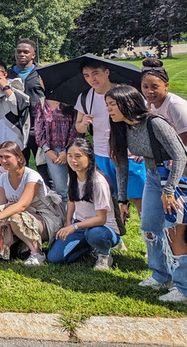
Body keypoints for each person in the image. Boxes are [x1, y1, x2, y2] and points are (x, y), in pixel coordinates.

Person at [107, 84, 187, 304]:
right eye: (107, 105)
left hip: (178, 181)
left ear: (126, 104)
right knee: (149, 228)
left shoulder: (155, 123)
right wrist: (122, 199)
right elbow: (121, 166)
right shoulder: (123, 128)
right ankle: (161, 275)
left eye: (112, 104)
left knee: (175, 233)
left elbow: (180, 156)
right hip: (153, 178)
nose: (109, 110)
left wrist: (169, 191)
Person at [140, 58, 187, 279]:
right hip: (174, 162)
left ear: (167, 85)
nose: (149, 91)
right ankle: (182, 263)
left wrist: (181, 176)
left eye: (155, 87)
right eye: (145, 87)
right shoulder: (151, 106)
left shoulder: (176, 106)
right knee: (183, 216)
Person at [74, 61, 144, 214]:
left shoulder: (124, 93)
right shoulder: (85, 97)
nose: (92, 79)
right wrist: (84, 123)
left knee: (139, 198)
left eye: (95, 73)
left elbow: (142, 120)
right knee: (110, 199)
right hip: (101, 155)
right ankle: (117, 233)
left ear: (106, 72)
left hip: (128, 154)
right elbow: (78, 126)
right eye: (87, 76)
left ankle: (150, 233)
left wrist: (141, 149)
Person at [0, 141, 65, 266]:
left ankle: (37, 253)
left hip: (46, 218)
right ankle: (13, 246)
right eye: (1, 157)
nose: (3, 160)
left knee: (15, 218)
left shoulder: (32, 176)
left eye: (7, 157)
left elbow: (23, 205)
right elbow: (0, 205)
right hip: (26, 214)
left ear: (19, 157)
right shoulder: (3, 177)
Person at [47, 138, 121, 270]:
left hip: (103, 228)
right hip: (80, 225)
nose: (73, 161)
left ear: (90, 157)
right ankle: (89, 246)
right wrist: (68, 222)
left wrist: (74, 227)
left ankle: (104, 255)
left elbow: (101, 218)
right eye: (69, 156)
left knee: (95, 234)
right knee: (55, 258)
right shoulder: (73, 176)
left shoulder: (98, 182)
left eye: (78, 156)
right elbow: (71, 199)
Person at [34, 98, 77, 205]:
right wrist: (47, 150)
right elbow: (38, 129)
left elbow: (76, 129)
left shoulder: (71, 101)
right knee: (61, 190)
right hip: (52, 152)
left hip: (73, 150)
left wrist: (66, 151)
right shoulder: (42, 103)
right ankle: (66, 219)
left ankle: (78, 217)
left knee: (76, 187)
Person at [8, 39, 46, 160]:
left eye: (26, 52)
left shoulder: (42, 73)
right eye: (19, 52)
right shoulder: (7, 75)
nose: (22, 54)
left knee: (43, 167)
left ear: (33, 55)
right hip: (15, 127)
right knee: (18, 166)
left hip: (38, 127)